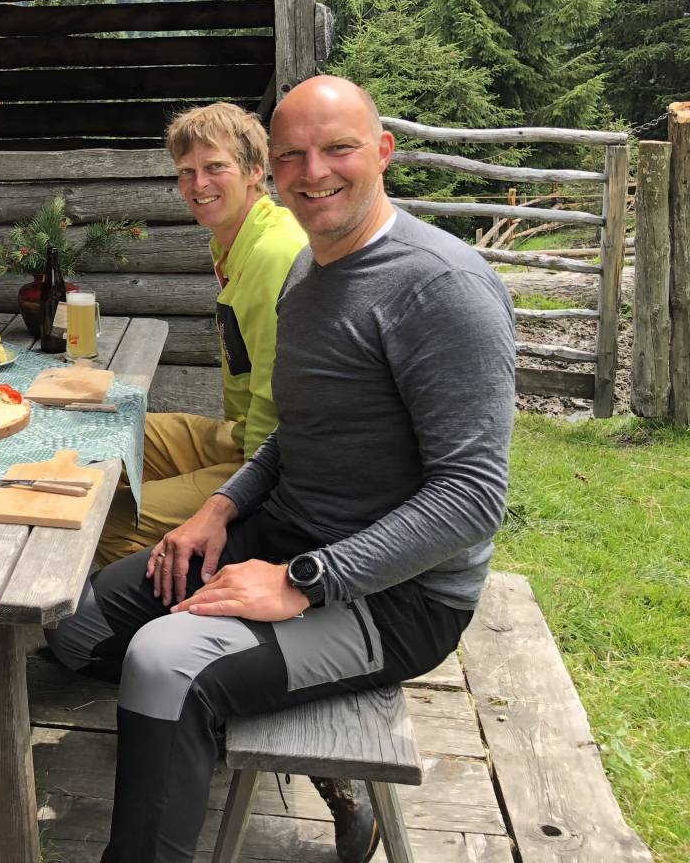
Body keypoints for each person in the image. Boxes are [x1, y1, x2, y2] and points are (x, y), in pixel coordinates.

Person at [47, 77, 515, 863]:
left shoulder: (444, 288)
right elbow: (295, 431)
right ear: (276, 167)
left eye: (338, 149)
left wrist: (301, 580)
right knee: (80, 625)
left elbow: (471, 500)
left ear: (383, 152)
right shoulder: (308, 272)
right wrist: (221, 508)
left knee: (166, 662)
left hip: (398, 599)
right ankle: (225, 718)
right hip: (289, 532)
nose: (314, 171)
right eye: (294, 154)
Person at [97, 102, 307, 568]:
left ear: (256, 170)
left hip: (270, 462)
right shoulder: (234, 240)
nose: (198, 185)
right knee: (110, 429)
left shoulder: (275, 252)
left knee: (105, 520)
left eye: (215, 168)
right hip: (241, 435)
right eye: (186, 172)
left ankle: (134, 620)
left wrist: (236, 496)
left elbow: (281, 402)